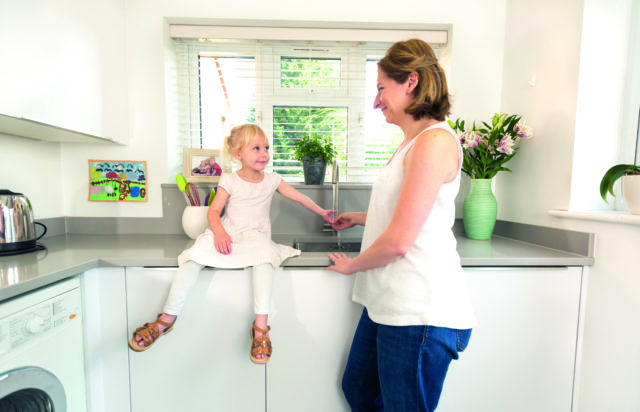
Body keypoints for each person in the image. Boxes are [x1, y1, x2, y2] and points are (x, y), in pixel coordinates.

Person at [327, 38, 476, 411]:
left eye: (381, 88)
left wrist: (351, 265)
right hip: (390, 304)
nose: (376, 101)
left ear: (411, 81)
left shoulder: (434, 142)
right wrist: (363, 218)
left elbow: (398, 242)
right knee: (359, 391)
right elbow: (413, 212)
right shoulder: (412, 142)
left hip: (421, 311)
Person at [129, 124, 335, 364]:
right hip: (226, 233)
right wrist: (219, 234)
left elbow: (299, 197)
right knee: (193, 258)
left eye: (266, 147)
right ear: (238, 154)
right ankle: (166, 319)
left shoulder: (272, 180)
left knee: (265, 260)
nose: (264, 153)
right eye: (256, 148)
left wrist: (323, 213)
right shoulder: (229, 180)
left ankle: (260, 329)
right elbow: (214, 212)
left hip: (255, 236)